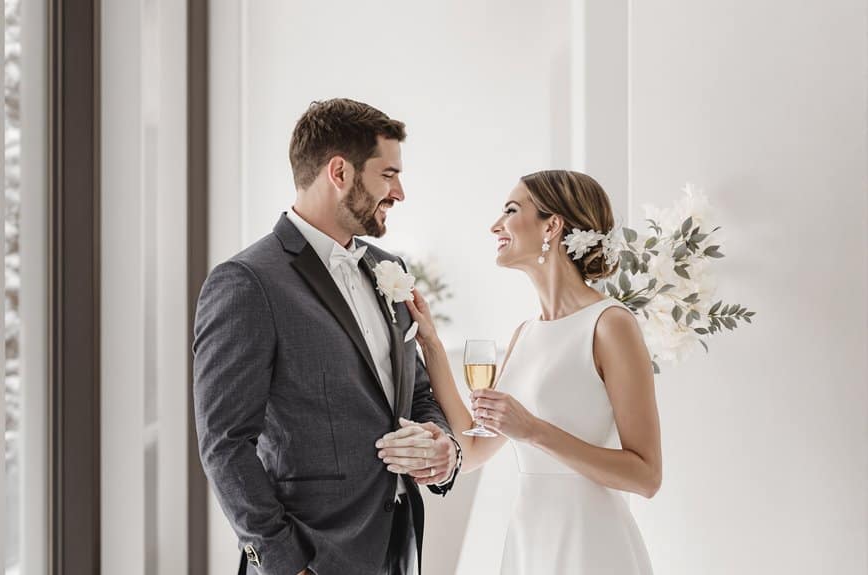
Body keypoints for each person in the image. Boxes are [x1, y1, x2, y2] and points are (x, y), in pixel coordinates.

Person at [193, 98, 462, 575]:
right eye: (388, 174)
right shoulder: (247, 282)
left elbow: (416, 393)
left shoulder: (389, 268)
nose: (399, 192)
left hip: (399, 547)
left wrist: (441, 446)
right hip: (312, 557)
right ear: (339, 172)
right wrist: (283, 562)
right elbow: (225, 443)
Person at [392, 170, 660, 573]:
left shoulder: (610, 324)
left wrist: (534, 430)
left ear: (552, 225)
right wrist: (430, 342)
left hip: (589, 543)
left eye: (512, 210)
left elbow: (646, 475)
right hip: (530, 538)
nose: (495, 226)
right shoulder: (526, 333)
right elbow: (476, 448)